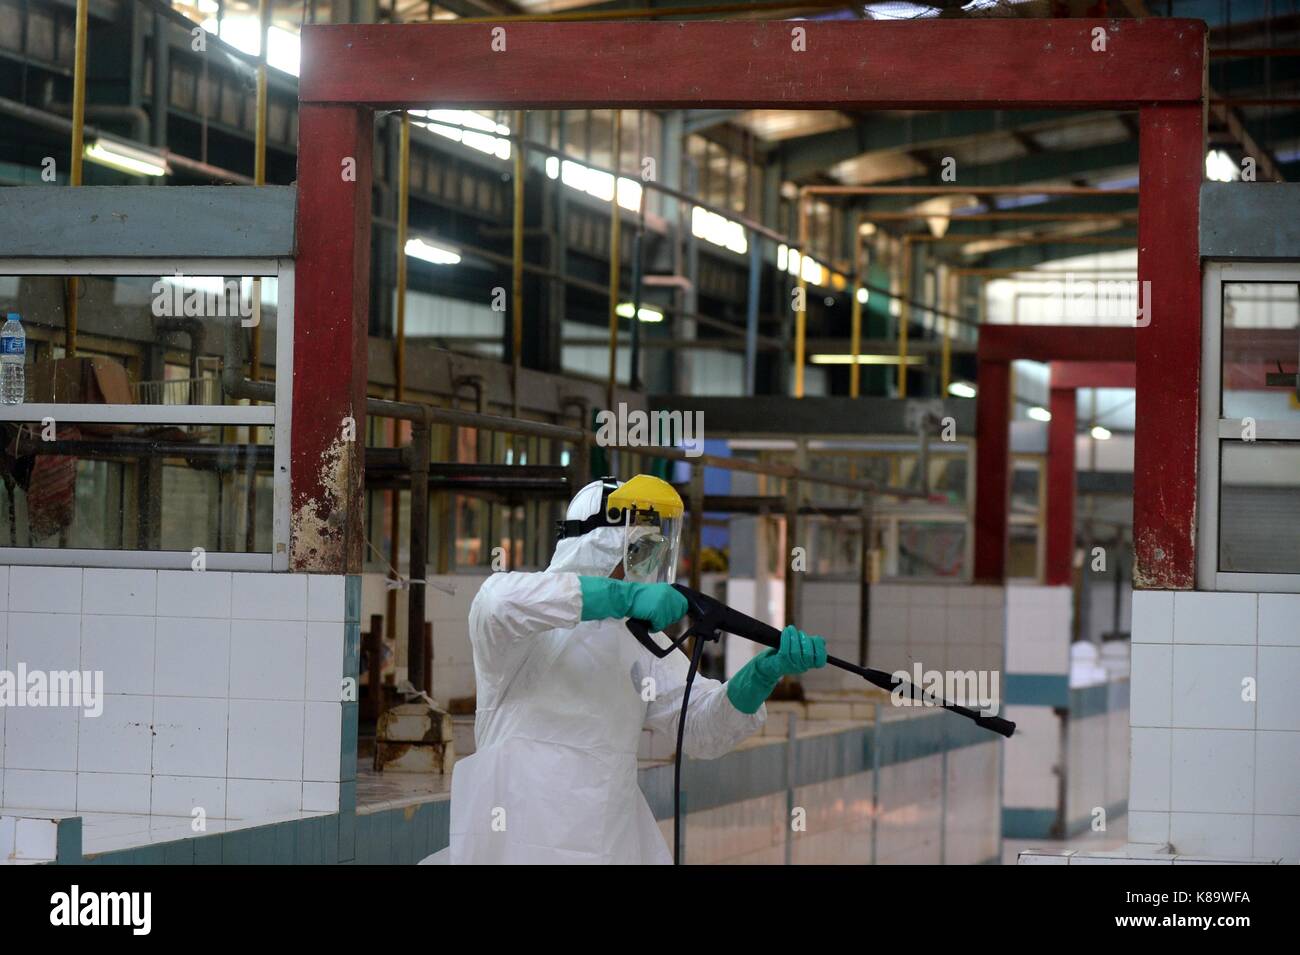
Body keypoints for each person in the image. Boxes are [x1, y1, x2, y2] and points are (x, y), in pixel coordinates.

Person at [433, 474, 827, 865]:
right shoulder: (526, 634)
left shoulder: (639, 646)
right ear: (597, 547)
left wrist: (760, 675)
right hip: (511, 849)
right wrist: (626, 596)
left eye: (656, 552)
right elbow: (496, 603)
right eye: (639, 551)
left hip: (602, 847)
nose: (649, 566)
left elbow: (702, 729)